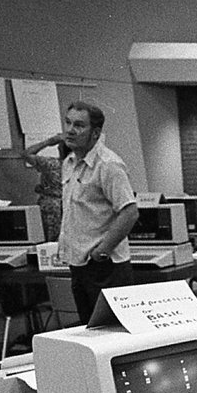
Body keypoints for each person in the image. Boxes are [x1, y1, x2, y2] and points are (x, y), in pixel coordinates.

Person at [58, 100, 139, 322]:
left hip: (105, 267)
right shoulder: (70, 162)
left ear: (95, 133)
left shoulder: (109, 165)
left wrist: (101, 251)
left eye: (79, 125)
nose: (70, 130)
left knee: (113, 333)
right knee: (90, 331)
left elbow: (130, 212)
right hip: (79, 265)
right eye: (68, 123)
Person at [19, 133, 66, 242]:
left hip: (50, 206)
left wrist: (48, 142)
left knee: (48, 242)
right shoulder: (79, 166)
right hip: (70, 206)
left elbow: (26, 154)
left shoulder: (50, 164)